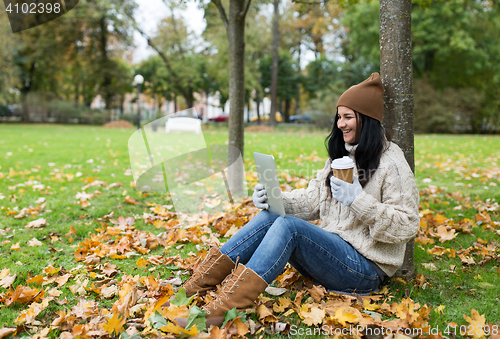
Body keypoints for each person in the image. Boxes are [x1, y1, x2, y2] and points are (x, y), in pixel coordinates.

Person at [176, 73, 420, 328]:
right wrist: (274, 199)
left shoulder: (391, 162)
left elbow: (407, 225)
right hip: (332, 255)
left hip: (366, 269)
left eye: (348, 117)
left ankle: (222, 311)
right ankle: (196, 287)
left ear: (367, 120)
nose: (340, 124)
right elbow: (312, 200)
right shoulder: (340, 157)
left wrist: (358, 200)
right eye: (339, 116)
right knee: (273, 216)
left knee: (289, 227)